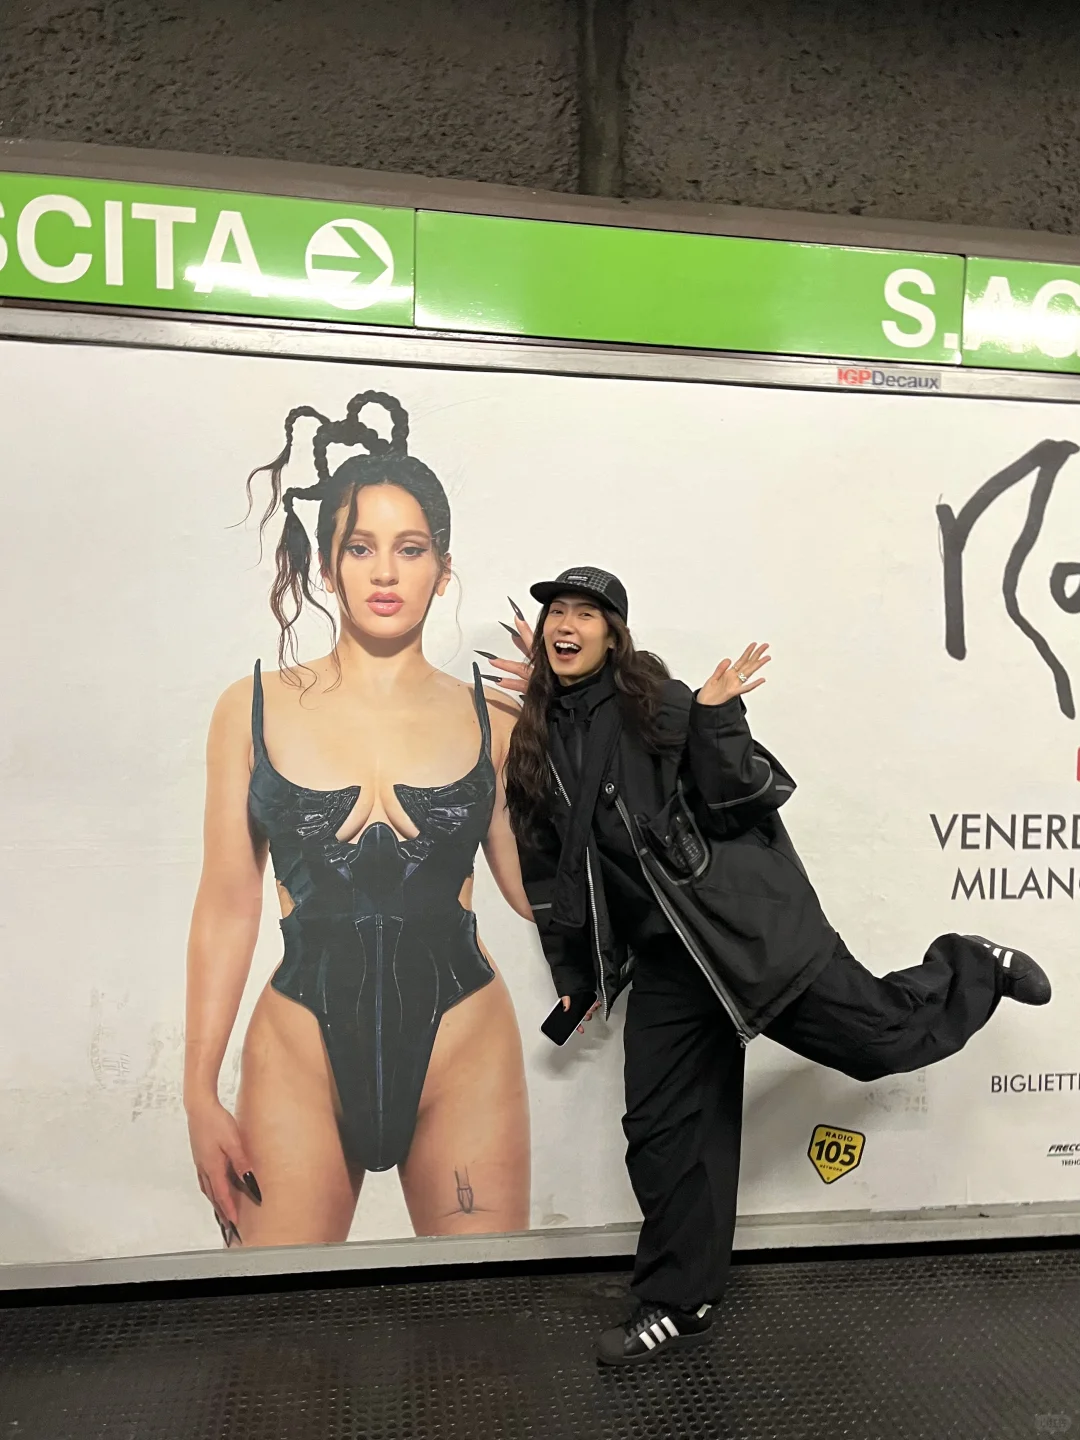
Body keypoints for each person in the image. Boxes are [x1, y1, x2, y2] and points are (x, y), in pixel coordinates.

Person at [490, 566, 1052, 1367]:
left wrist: (717, 718)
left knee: (880, 1043)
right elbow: (555, 875)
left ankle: (974, 964)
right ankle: (679, 1300)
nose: (565, 624)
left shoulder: (660, 704)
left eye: (586, 612)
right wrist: (579, 981)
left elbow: (739, 800)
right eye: (557, 612)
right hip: (670, 965)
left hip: (749, 933)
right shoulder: (540, 742)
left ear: (615, 634)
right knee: (664, 1134)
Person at [184, 391, 531, 1250]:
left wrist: (581, 727)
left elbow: (539, 899)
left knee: (480, 1319)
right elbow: (227, 905)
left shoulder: (495, 719)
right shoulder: (251, 708)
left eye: (409, 549)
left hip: (464, 1048)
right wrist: (197, 1090)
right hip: (298, 1054)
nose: (385, 573)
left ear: (441, 568)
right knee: (275, 1322)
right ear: (326, 565)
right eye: (360, 547)